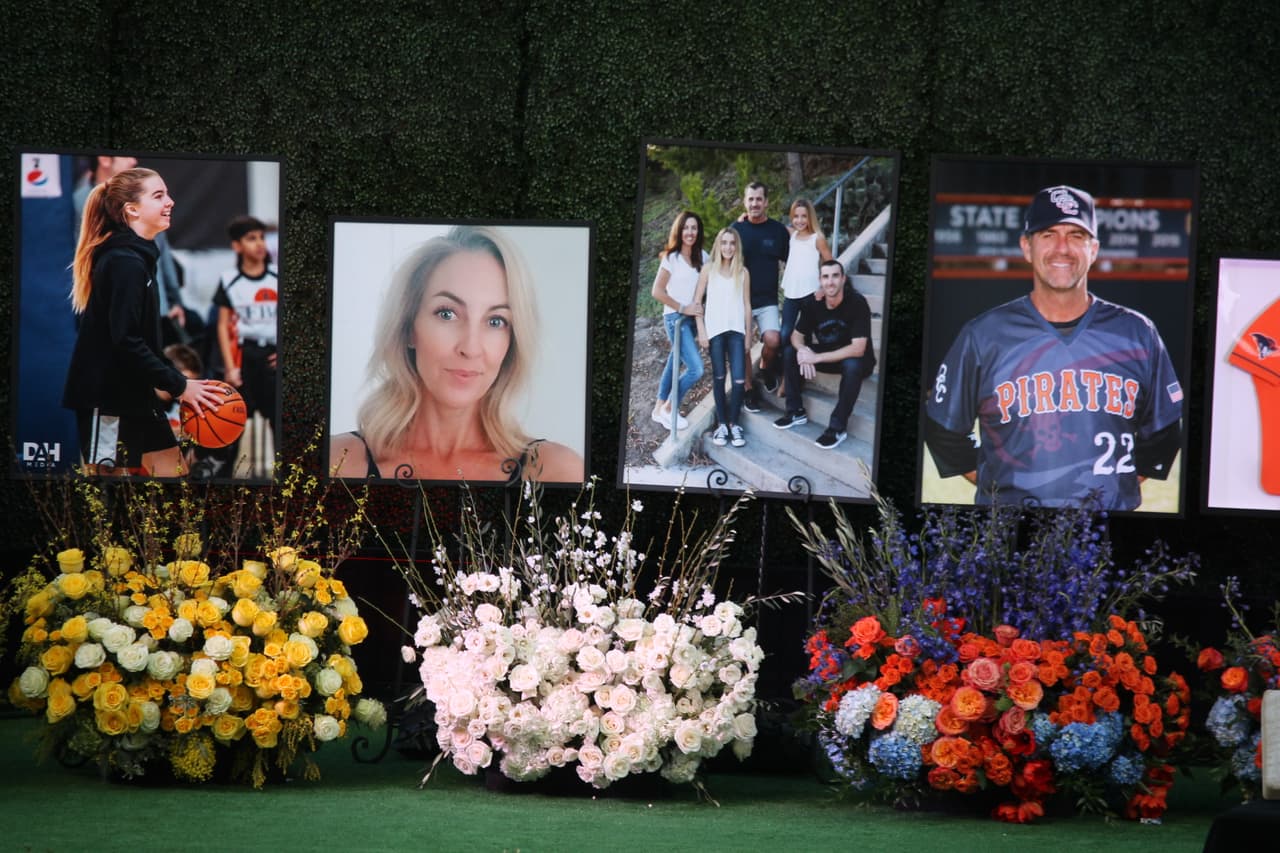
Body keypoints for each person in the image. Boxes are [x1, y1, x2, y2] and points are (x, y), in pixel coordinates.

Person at [923, 185, 1183, 510]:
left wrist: (1114, 488)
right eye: (1048, 234)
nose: (1063, 248)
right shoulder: (983, 335)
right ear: (1026, 247)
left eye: (1076, 235)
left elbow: (1164, 433)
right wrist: (1001, 480)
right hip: (1010, 528)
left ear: (1094, 249)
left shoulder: (1138, 332)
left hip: (1107, 530)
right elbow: (944, 431)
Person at [329, 225, 583, 482]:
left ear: (512, 341)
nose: (470, 348)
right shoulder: (337, 463)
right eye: (447, 314)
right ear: (408, 328)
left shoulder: (556, 472)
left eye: (495, 321)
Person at [61, 167, 224, 476]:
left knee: (175, 484)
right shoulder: (124, 262)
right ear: (132, 210)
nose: (171, 201)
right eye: (159, 195)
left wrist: (175, 383)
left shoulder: (138, 258)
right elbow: (125, 340)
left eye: (168, 194)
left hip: (136, 395)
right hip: (106, 399)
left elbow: (140, 341)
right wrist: (179, 385)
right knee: (108, 498)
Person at [773, 259, 875, 449]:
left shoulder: (857, 302)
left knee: (852, 365)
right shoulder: (814, 303)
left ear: (843, 279)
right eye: (826, 277)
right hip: (830, 354)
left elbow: (858, 348)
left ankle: (837, 427)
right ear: (820, 280)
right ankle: (795, 411)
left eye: (835, 276)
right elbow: (796, 336)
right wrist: (804, 352)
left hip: (858, 359)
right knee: (789, 352)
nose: (830, 282)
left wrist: (816, 357)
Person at [213, 215, 279, 458]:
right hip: (245, 355)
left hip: (272, 355)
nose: (259, 243)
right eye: (251, 239)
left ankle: (285, 480)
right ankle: (226, 478)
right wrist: (230, 368)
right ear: (237, 246)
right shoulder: (230, 280)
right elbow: (223, 325)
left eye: (261, 237)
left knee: (279, 422)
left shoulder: (277, 276)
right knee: (234, 420)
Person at [732, 181, 790, 411]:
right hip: (740, 301)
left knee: (774, 340)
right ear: (745, 202)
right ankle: (748, 389)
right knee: (743, 347)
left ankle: (766, 367)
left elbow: (791, 260)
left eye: (759, 199)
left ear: (766, 202)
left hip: (767, 301)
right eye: (750, 199)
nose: (754, 203)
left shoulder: (777, 231)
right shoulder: (736, 230)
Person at [693, 227, 753, 448]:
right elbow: (697, 302)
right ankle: (721, 424)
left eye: (732, 243)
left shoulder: (743, 272)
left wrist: (748, 335)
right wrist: (701, 330)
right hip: (715, 332)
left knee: (738, 380)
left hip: (737, 332)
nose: (728, 247)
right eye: (724, 242)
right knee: (718, 378)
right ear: (718, 245)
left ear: (737, 246)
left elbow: (747, 306)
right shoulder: (709, 270)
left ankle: (733, 423)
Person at [650, 211, 707, 431]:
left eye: (694, 228)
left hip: (692, 321)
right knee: (696, 369)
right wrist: (683, 308)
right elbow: (657, 291)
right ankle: (669, 407)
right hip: (676, 319)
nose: (690, 232)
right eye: (686, 228)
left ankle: (657, 410)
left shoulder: (703, 257)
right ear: (679, 230)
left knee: (674, 362)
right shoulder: (671, 258)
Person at [778, 198, 833, 349]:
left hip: (811, 293)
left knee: (808, 333)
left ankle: (808, 366)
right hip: (792, 292)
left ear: (810, 217)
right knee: (785, 333)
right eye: (796, 216)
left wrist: (824, 288)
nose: (800, 220)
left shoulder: (818, 239)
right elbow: (772, 226)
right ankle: (787, 364)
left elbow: (831, 265)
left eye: (804, 216)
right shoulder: (792, 235)